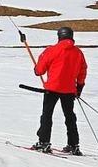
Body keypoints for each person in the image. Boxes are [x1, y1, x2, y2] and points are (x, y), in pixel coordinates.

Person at [31, 26, 87, 156]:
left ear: (59, 37)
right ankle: (73, 145)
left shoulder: (52, 50)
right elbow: (82, 70)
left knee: (47, 115)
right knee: (70, 117)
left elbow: (39, 70)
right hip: (69, 90)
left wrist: (36, 69)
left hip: (52, 88)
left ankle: (44, 142)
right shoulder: (78, 53)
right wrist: (79, 87)